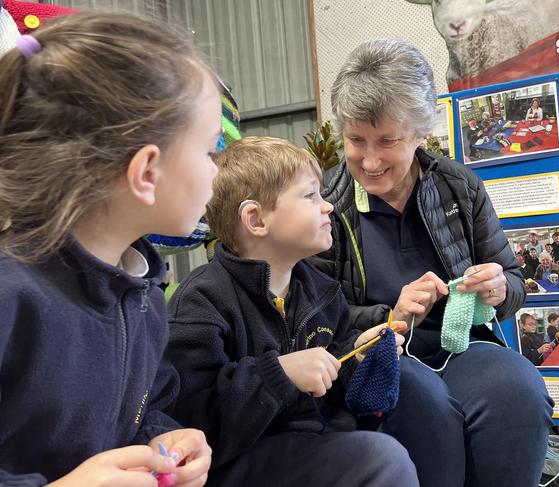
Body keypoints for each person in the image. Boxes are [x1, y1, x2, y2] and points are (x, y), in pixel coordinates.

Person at [312, 37, 553, 487]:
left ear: (422, 131)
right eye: (355, 140)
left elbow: (515, 284)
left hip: (458, 348)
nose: (369, 159)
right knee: (424, 404)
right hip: (375, 355)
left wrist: (499, 289)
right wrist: (391, 316)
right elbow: (314, 319)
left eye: (387, 140)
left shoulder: (457, 187)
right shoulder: (325, 204)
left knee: (517, 387)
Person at [0, 12, 214, 485]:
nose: (217, 171)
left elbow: (148, 409)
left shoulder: (145, 296)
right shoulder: (11, 297)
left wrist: (170, 443)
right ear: (146, 172)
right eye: (209, 148)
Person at [166, 137, 420, 487]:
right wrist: (277, 376)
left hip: (312, 444)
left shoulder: (323, 291)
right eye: (310, 195)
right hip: (237, 462)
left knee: (417, 416)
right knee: (381, 460)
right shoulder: (201, 301)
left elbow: (339, 385)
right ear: (255, 220)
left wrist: (356, 357)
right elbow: (189, 417)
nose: (328, 206)